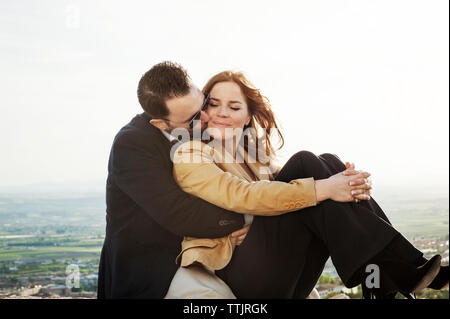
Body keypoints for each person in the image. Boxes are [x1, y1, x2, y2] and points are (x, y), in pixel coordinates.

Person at [97, 62, 371, 299]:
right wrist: (246, 220)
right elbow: (177, 213)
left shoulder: (234, 145)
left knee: (320, 163)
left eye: (203, 103)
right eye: (196, 115)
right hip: (154, 270)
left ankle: (387, 266)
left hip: (235, 260)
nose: (207, 116)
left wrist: (339, 180)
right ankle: (388, 269)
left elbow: (270, 185)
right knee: (310, 168)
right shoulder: (133, 144)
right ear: (160, 124)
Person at [166, 70, 448, 299]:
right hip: (239, 279)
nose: (222, 112)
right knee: (307, 165)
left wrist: (347, 182)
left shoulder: (256, 160)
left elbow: (289, 193)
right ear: (201, 110)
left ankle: (388, 279)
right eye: (213, 104)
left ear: (248, 116)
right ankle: (397, 272)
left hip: (284, 278)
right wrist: (327, 187)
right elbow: (241, 195)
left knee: (327, 162)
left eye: (234, 106)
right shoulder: (191, 153)